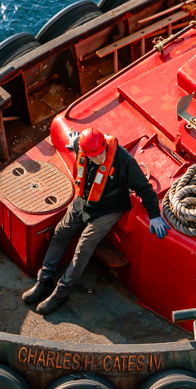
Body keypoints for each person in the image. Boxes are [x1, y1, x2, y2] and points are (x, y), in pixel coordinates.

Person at [22, 127, 165, 317]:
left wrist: (155, 215)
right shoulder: (83, 148)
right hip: (84, 201)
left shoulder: (124, 162)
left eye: (99, 155)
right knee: (60, 232)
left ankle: (60, 292)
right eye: (92, 156)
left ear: (105, 146)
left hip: (109, 209)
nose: (97, 159)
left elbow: (145, 189)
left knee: (83, 248)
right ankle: (44, 280)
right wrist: (74, 142)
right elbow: (77, 144)